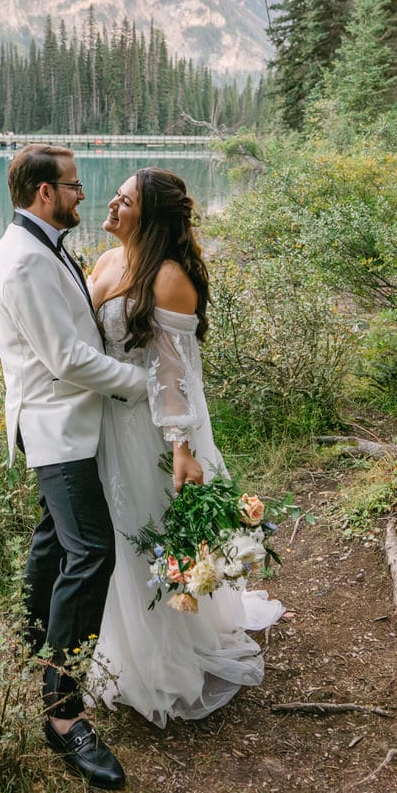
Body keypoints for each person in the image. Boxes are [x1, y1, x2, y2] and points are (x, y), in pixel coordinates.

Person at [85, 167, 286, 727]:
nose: (112, 203)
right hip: (100, 423)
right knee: (108, 537)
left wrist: (181, 447)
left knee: (141, 532)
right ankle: (111, 644)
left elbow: (174, 373)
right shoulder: (104, 262)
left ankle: (158, 662)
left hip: (145, 430)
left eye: (123, 200)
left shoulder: (169, 277)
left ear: (147, 217)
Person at [0, 144, 147, 790]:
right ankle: (61, 710)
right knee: (92, 554)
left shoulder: (44, 243)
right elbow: (66, 359)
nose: (85, 194)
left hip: (68, 423)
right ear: (44, 192)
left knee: (53, 541)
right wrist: (137, 383)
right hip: (57, 431)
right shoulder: (25, 260)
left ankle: (28, 645)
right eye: (75, 186)